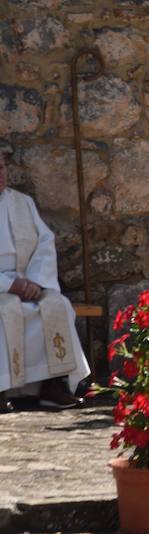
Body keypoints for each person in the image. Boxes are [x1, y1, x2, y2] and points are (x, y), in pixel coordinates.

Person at [0, 153, 87, 411]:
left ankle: (51, 385)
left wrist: (36, 281)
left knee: (56, 305)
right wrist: (8, 285)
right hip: (3, 288)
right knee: (5, 315)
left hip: (28, 282)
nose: (0, 174)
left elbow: (44, 244)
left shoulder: (22, 203)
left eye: (2, 167)